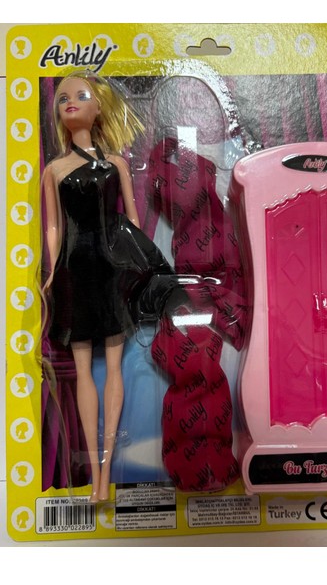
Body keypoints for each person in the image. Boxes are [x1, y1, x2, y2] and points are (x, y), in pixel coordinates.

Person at [42, 70, 173, 502]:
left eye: (81, 95)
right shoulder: (53, 170)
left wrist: (137, 268)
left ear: (99, 107)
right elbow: (54, 228)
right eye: (63, 97)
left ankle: (104, 476)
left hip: (112, 268)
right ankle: (96, 474)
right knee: (83, 370)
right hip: (74, 271)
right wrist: (51, 274)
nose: (70, 102)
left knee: (114, 368)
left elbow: (132, 219)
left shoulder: (115, 164)